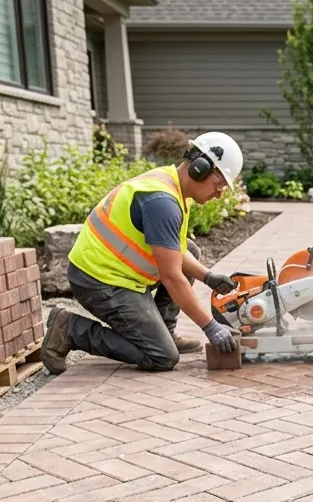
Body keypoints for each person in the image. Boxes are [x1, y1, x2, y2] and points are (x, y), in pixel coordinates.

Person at [41, 131, 244, 375]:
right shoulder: (162, 202)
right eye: (219, 184)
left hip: (116, 272)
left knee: (191, 250)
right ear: (199, 168)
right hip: (99, 281)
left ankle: (162, 331)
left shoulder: (175, 187)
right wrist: (210, 326)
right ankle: (69, 329)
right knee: (161, 356)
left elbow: (177, 252)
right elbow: (171, 276)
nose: (219, 193)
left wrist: (207, 276)